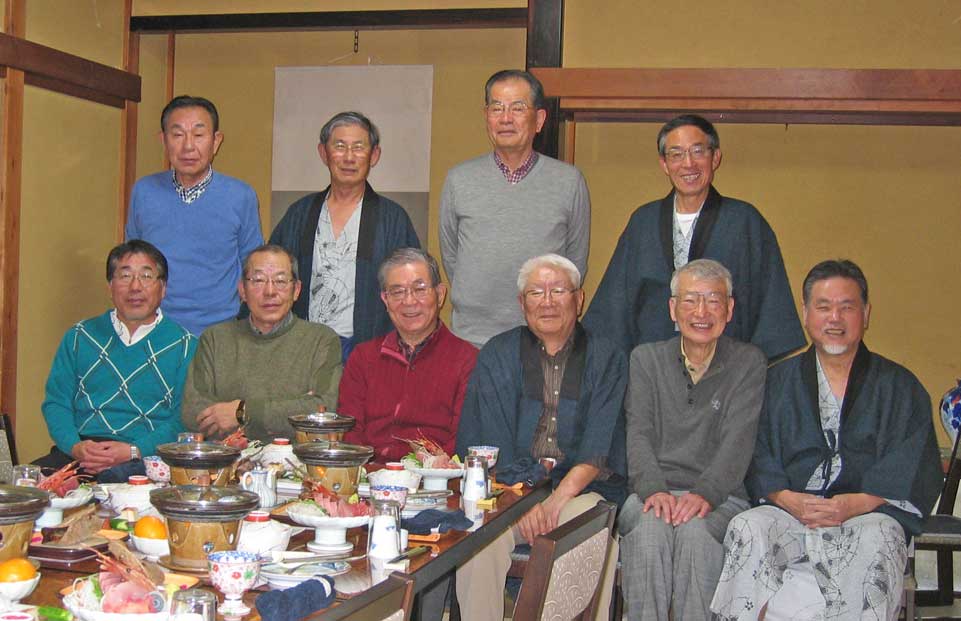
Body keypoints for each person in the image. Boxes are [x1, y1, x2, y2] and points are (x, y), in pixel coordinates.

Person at [710, 259, 943, 621]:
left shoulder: (900, 387)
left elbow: (912, 461)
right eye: (823, 307)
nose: (835, 318)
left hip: (866, 514)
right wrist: (786, 498)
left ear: (866, 314)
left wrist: (854, 504)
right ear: (806, 313)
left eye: (846, 307)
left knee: (878, 538)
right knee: (748, 527)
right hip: (790, 510)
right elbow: (753, 451)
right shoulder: (775, 382)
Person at [455, 254, 625, 621]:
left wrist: (556, 501)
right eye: (536, 292)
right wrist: (522, 504)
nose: (547, 301)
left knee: (591, 534)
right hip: (507, 494)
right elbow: (488, 442)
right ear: (522, 303)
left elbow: (600, 443)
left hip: (575, 493)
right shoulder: (497, 353)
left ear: (579, 299)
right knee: (477, 541)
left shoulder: (607, 356)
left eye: (558, 290)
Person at [583, 114, 803, 362]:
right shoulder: (643, 222)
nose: (688, 164)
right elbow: (614, 305)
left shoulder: (745, 221)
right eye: (676, 154)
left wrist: (748, 369)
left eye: (698, 152)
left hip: (726, 367)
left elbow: (771, 307)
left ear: (715, 157)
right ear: (664, 164)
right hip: (655, 367)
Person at [617, 259, 766, 621]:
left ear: (729, 309)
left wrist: (705, 494)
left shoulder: (748, 363)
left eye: (713, 301)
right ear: (673, 309)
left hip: (721, 496)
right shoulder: (646, 359)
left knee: (697, 534)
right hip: (652, 492)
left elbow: (737, 443)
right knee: (649, 530)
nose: (701, 312)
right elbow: (638, 434)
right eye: (690, 300)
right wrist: (653, 490)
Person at [440, 70, 591, 348]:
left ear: (539, 120)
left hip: (542, 338)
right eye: (497, 108)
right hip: (471, 337)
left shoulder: (569, 182)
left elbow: (575, 263)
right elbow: (451, 255)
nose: (505, 118)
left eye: (518, 108)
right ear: (486, 116)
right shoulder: (459, 179)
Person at [37, 241, 196, 482]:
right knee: (24, 488)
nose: (135, 287)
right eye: (125, 276)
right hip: (81, 453)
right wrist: (75, 447)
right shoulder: (80, 336)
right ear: (110, 287)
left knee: (110, 486)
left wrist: (133, 451)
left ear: (163, 288)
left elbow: (183, 420)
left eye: (146, 276)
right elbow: (56, 403)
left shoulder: (186, 346)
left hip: (145, 458)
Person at [269, 111, 419, 361]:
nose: (349, 157)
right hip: (304, 347)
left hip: (369, 349)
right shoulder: (300, 213)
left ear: (374, 155)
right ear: (323, 153)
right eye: (339, 146)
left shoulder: (393, 218)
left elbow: (411, 290)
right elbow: (272, 276)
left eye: (359, 147)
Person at [126, 95, 263, 337]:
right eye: (177, 135)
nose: (188, 146)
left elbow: (253, 267)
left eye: (199, 135)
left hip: (220, 332)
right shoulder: (144, 191)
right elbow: (131, 261)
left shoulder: (241, 196)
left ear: (216, 141)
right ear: (163, 140)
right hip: (154, 329)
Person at [181, 244, 342, 443]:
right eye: (258, 280)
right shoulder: (215, 339)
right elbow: (193, 411)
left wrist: (241, 412)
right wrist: (289, 411)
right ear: (242, 290)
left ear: (296, 290)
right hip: (228, 456)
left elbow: (322, 411)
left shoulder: (321, 340)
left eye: (280, 281)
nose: (270, 291)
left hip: (295, 460)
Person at [339, 248, 477, 462]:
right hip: (369, 473)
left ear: (440, 295)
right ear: (385, 299)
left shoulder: (467, 359)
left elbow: (463, 437)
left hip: (434, 475)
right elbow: (349, 431)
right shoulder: (363, 357)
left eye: (419, 289)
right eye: (397, 292)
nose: (409, 301)